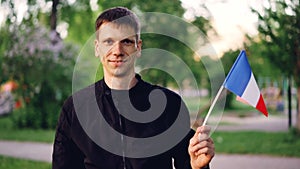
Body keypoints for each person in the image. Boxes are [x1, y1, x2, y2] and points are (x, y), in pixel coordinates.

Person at [52, 7, 214, 169]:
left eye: (126, 42)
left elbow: (187, 164)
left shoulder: (170, 105)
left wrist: (197, 167)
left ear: (138, 47)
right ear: (97, 48)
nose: (117, 51)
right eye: (109, 42)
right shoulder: (75, 109)